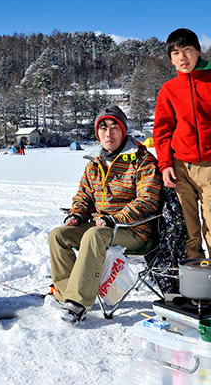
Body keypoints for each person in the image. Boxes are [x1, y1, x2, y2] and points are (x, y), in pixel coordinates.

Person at [153, 28, 211, 292]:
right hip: (180, 169)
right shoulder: (169, 89)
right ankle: (196, 293)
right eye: (175, 53)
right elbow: (161, 131)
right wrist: (165, 165)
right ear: (171, 59)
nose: (182, 57)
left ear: (198, 52)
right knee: (187, 237)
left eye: (187, 51)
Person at [49, 106, 163, 324]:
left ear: (123, 130)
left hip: (135, 230)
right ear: (97, 132)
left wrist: (116, 219)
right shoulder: (94, 163)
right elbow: (83, 197)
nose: (108, 134)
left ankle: (78, 303)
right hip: (102, 225)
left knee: (93, 235)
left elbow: (147, 201)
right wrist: (76, 216)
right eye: (103, 128)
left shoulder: (142, 160)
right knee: (58, 235)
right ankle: (66, 294)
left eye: (114, 128)